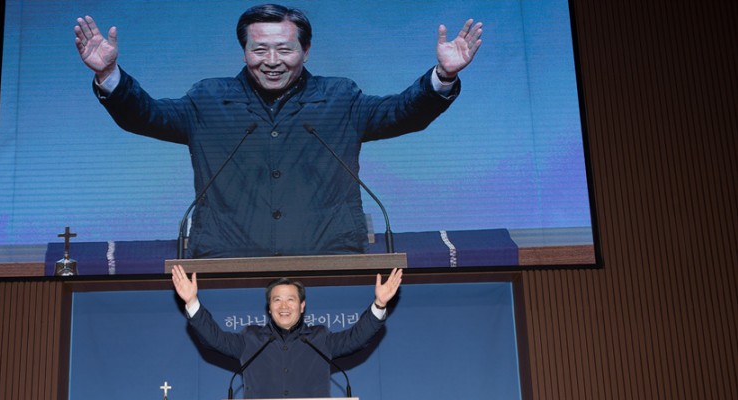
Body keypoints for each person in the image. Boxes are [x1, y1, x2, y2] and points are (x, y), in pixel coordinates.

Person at [74, 5, 482, 258]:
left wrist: (443, 75)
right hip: (226, 262)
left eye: (285, 49)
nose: (272, 61)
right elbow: (144, 116)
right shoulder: (209, 99)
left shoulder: (340, 98)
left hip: (330, 259)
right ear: (244, 51)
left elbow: (403, 113)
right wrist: (109, 75)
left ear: (305, 51)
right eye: (259, 49)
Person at [171, 264, 403, 398]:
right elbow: (214, 339)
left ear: (302, 307)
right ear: (269, 308)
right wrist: (192, 301)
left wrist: (379, 305)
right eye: (277, 300)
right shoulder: (250, 340)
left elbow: (356, 338)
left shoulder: (320, 339)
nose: (284, 306)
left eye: (290, 300)